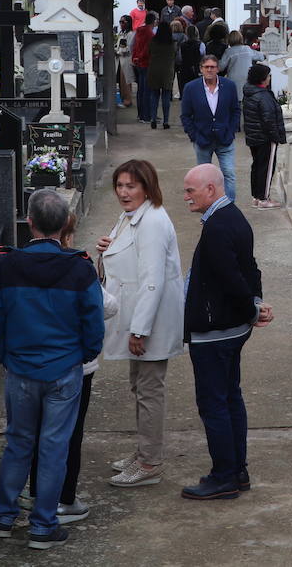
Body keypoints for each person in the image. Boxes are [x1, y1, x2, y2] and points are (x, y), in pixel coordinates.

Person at [0, 189, 104, 550]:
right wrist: (83, 354)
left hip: (21, 368)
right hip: (64, 368)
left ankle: (3, 517)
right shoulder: (80, 268)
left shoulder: (5, 266)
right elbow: (93, 322)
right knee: (53, 447)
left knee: (19, 443)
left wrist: (6, 355)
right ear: (65, 224)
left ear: (29, 222)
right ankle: (43, 525)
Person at [179, 164, 273, 501]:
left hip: (215, 332)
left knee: (214, 403)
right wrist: (256, 305)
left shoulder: (218, 227)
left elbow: (233, 277)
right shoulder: (233, 217)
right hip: (231, 329)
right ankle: (237, 470)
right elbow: (251, 268)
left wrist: (251, 308)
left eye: (191, 190)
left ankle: (223, 477)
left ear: (210, 189)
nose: (186, 196)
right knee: (231, 398)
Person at [23, 214, 119, 525]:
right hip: (74, 365)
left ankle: (37, 492)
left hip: (32, 362)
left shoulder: (17, 263)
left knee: (38, 431)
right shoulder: (79, 266)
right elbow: (107, 306)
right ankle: (63, 499)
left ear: (30, 223)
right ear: (69, 233)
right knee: (68, 434)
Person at [97, 160, 186, 488]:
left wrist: (140, 330)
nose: (123, 192)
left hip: (149, 322)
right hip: (137, 318)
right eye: (119, 186)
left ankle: (149, 462)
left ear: (147, 187)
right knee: (140, 387)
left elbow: (152, 280)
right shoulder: (132, 215)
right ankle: (144, 451)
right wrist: (105, 250)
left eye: (130, 186)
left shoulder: (152, 222)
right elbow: (123, 258)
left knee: (149, 391)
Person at [180, 54, 241, 201]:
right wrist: (193, 135)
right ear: (201, 69)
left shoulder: (229, 86)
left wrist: (231, 130)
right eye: (206, 67)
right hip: (202, 139)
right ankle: (207, 209)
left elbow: (235, 110)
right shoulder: (191, 88)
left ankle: (228, 209)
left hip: (225, 138)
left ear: (218, 69)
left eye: (212, 67)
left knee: (229, 174)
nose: (209, 70)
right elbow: (186, 115)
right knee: (204, 179)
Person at [241, 63, 286, 210]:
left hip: (254, 137)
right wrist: (276, 137)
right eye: (268, 75)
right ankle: (263, 198)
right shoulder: (263, 96)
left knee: (258, 167)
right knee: (266, 169)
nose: (269, 78)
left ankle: (256, 196)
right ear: (262, 78)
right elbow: (268, 119)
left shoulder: (250, 92)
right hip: (265, 138)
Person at [147, 22, 177, 129]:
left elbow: (148, 53)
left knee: (154, 95)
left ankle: (153, 119)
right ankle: (166, 121)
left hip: (154, 69)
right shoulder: (172, 43)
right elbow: (175, 55)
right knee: (166, 96)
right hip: (167, 70)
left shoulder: (153, 41)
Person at [131, 11, 156, 123]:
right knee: (147, 90)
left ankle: (140, 114)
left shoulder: (139, 31)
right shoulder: (150, 33)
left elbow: (134, 46)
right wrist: (141, 57)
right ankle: (146, 115)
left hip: (138, 62)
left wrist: (135, 57)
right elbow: (147, 49)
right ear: (154, 21)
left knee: (140, 89)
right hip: (146, 62)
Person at [174, 18, 202, 96]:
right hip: (196, 69)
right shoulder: (200, 44)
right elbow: (203, 56)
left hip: (185, 68)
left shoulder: (183, 45)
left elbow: (180, 58)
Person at [115, 16, 135, 109]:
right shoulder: (121, 33)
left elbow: (129, 48)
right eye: (120, 22)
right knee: (121, 81)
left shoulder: (131, 34)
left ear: (127, 23)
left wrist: (119, 51)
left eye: (123, 22)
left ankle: (127, 100)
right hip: (119, 60)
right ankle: (123, 99)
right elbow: (118, 45)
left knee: (126, 81)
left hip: (126, 60)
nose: (121, 24)